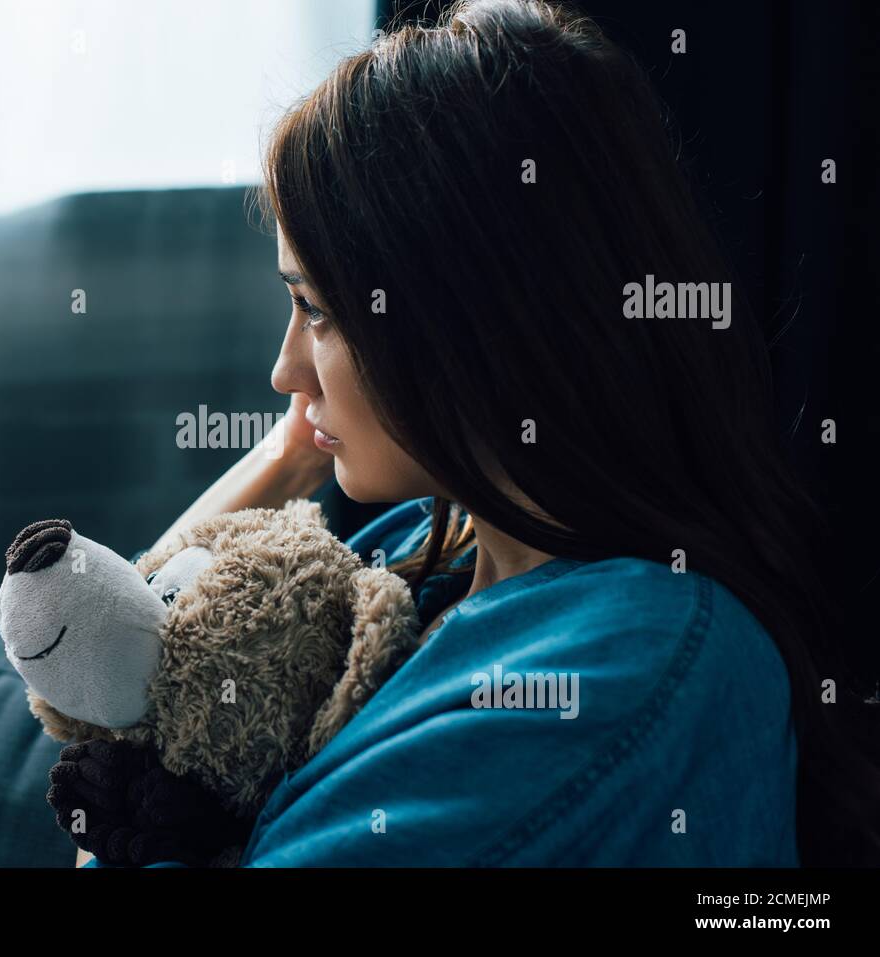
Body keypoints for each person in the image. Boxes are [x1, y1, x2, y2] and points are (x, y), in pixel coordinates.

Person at [78, 0, 879, 867]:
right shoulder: (442, 535)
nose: (283, 373)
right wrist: (287, 454)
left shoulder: (610, 666)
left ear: (465, 323)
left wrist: (113, 811)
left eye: (313, 309)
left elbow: (112, 722)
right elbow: (121, 660)